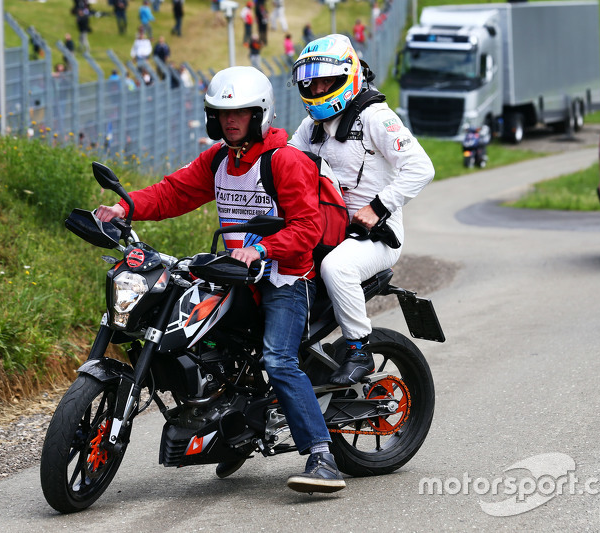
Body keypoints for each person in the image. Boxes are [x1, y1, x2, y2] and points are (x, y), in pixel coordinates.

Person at [96, 66, 346, 494]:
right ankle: (234, 430)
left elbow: (307, 227)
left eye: (241, 113)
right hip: (237, 275)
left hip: (286, 278)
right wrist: (126, 209)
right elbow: (174, 192)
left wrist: (262, 250)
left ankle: (321, 455)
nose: (230, 121)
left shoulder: (284, 160)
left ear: (259, 114)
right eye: (222, 113)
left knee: (277, 359)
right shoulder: (220, 160)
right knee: (200, 337)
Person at [289, 34, 434, 385]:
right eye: (312, 81)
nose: (318, 87)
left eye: (326, 80)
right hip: (325, 230)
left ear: (347, 76)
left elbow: (421, 168)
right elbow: (286, 161)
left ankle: (359, 351)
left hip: (374, 236)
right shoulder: (312, 127)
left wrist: (378, 206)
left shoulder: (376, 118)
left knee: (337, 268)